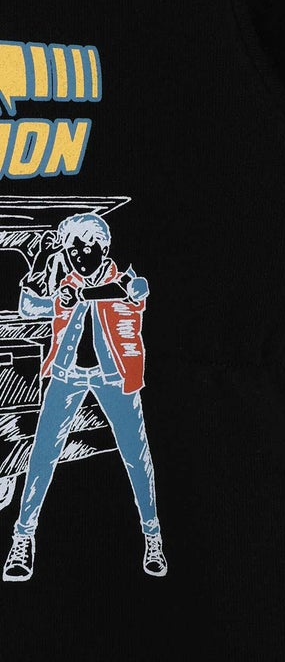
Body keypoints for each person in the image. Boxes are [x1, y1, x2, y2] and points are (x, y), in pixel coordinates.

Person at [1, 213, 167, 581]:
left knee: (136, 456)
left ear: (103, 249)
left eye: (87, 249)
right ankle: (22, 539)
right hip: (67, 375)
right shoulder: (67, 286)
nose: (80, 256)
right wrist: (42, 268)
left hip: (115, 378)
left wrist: (81, 295)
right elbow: (29, 307)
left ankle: (152, 536)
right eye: (73, 251)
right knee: (42, 455)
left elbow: (135, 291)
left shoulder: (125, 280)